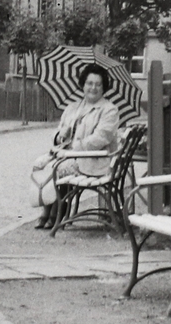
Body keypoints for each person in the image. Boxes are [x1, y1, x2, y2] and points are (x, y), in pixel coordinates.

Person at [30, 62, 122, 230]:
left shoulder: (109, 110)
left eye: (98, 84)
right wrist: (60, 136)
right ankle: (47, 208)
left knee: (59, 167)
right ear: (83, 84)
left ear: (104, 87)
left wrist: (73, 148)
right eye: (89, 83)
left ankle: (56, 213)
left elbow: (100, 138)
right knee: (40, 163)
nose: (93, 88)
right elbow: (57, 133)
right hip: (69, 155)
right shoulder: (73, 107)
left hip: (94, 161)